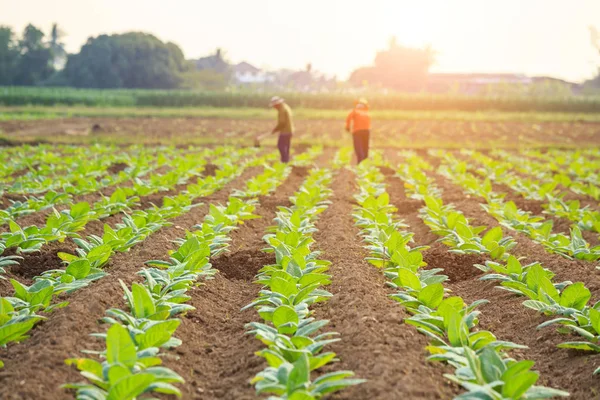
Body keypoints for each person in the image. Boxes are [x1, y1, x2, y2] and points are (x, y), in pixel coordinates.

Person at [345, 98, 371, 164]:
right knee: (365, 147)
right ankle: (365, 162)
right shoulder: (366, 113)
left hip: (357, 132)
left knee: (358, 147)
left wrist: (347, 127)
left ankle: (360, 162)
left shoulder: (355, 111)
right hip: (366, 131)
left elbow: (348, 118)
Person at [269, 96, 294, 163]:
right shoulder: (286, 107)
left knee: (280, 146)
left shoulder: (282, 110)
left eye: (274, 106)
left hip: (285, 131)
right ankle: (286, 160)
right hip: (290, 130)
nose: (274, 107)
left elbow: (282, 123)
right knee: (286, 146)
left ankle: (284, 161)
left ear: (277, 104)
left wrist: (275, 129)